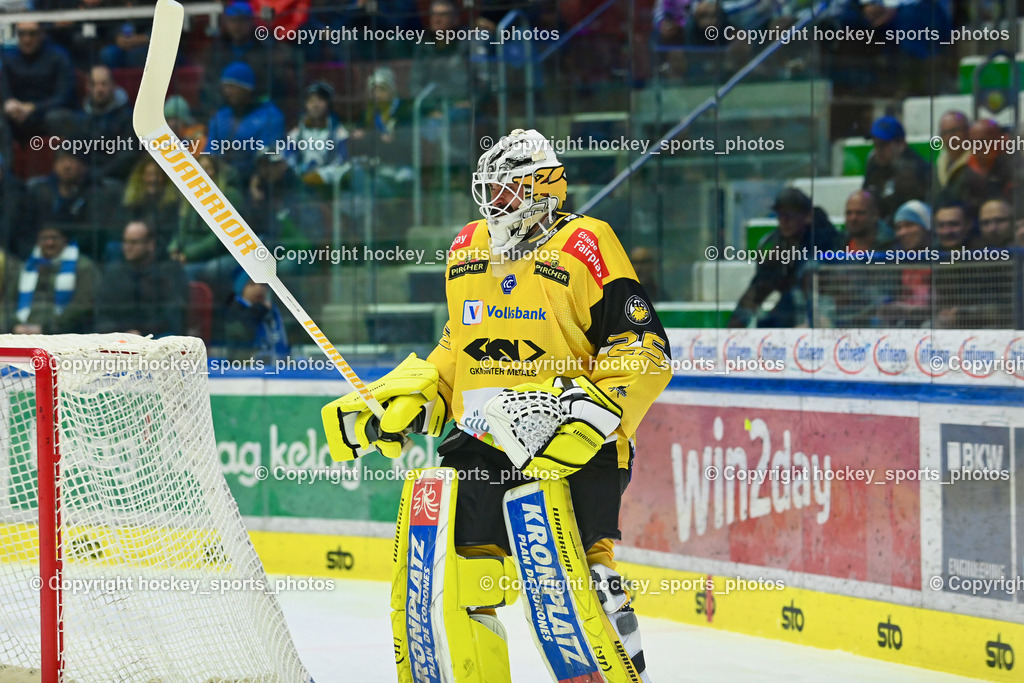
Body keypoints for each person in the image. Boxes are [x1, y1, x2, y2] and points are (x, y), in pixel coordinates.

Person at [321, 129, 668, 682]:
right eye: (490, 191)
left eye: (508, 191)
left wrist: (593, 414)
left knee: (580, 588)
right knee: (454, 582)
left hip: (570, 447)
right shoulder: (466, 248)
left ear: (543, 190)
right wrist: (415, 396)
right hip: (479, 444)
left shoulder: (585, 243)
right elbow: (459, 345)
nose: (495, 203)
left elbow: (644, 349)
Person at [728, 187, 839, 328]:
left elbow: (817, 286)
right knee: (768, 322)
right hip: (791, 309)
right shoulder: (780, 246)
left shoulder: (825, 240)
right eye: (780, 215)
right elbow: (757, 290)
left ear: (807, 216)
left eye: (790, 215)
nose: (784, 221)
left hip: (827, 311)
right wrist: (732, 330)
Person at [96, 220, 187, 336]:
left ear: (151, 245)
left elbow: (171, 315)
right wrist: (124, 333)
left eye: (134, 242)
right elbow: (103, 314)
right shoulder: (114, 273)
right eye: (125, 242)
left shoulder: (170, 271)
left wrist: (141, 332)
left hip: (156, 336)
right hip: (120, 337)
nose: (127, 247)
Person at [205, 62, 286, 182]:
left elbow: (267, 160)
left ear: (246, 88)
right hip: (221, 181)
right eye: (225, 87)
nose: (227, 92)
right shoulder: (220, 116)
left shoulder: (270, 116)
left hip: (256, 182)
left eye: (232, 87)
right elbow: (210, 154)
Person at [12, 225, 98, 334]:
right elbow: (8, 302)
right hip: (21, 333)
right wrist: (14, 325)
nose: (49, 243)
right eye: (44, 238)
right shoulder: (26, 268)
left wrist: (47, 328)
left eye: (55, 238)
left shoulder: (83, 267)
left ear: (65, 239)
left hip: (65, 334)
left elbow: (83, 305)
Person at [0, 22, 75, 144]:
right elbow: (4, 88)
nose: (26, 39)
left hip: (48, 111)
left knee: (57, 118)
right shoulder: (9, 57)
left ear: (42, 34)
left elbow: (64, 96)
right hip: (19, 113)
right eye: (21, 34)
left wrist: (33, 107)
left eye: (32, 34)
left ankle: (62, 161)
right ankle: (6, 163)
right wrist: (8, 102)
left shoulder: (59, 56)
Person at [862, 116, 931, 223]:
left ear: (901, 144)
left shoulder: (915, 170)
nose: (878, 150)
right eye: (875, 144)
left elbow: (914, 211)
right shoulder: (874, 164)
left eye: (884, 144)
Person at [224, 271, 289, 362]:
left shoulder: (271, 310)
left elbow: (280, 338)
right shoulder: (234, 308)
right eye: (252, 284)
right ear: (241, 288)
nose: (259, 288)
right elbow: (242, 331)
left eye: (263, 284)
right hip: (242, 365)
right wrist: (259, 309)